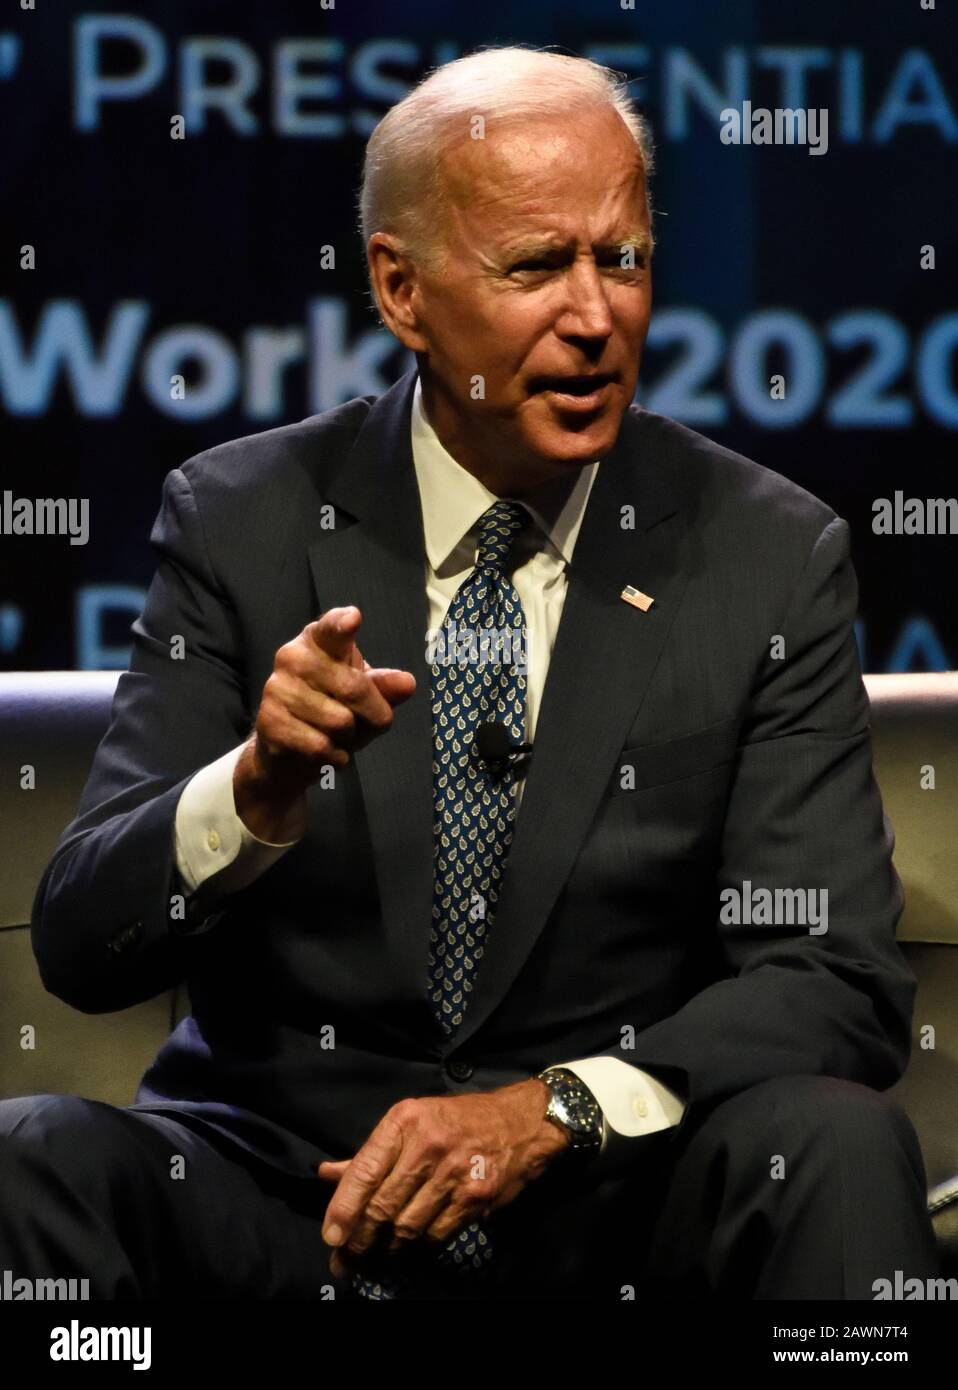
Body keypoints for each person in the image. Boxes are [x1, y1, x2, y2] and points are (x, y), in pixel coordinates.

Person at [4, 47, 939, 1301]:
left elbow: (832, 974)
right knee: (33, 1161)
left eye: (622, 258)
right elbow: (81, 941)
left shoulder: (766, 554)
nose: (595, 315)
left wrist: (544, 1114)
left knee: (832, 1143)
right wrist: (257, 789)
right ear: (400, 289)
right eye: (535, 266)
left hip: (605, 1213)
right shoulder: (242, 520)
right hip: (288, 1202)